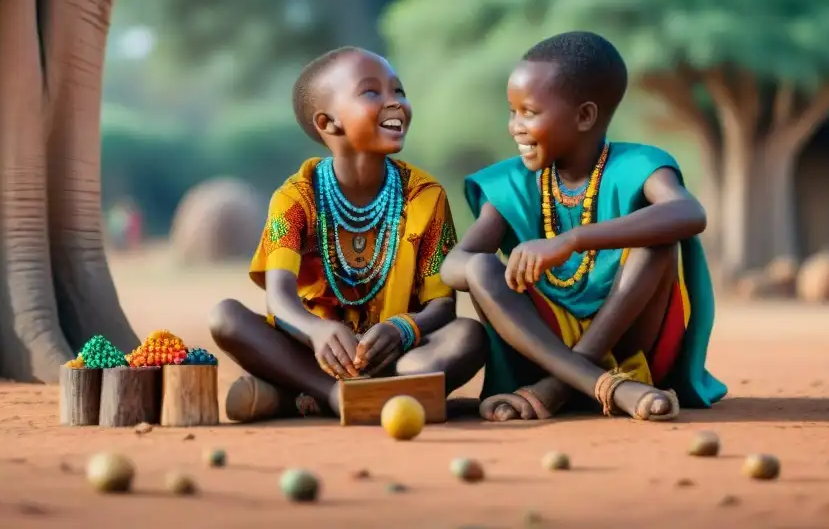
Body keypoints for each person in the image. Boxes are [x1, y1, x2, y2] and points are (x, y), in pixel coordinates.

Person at [440, 31, 725, 422]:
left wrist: (569, 241)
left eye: (530, 112)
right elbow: (453, 267)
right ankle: (597, 384)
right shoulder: (510, 182)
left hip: (630, 343)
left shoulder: (637, 165)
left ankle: (561, 385)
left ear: (585, 116)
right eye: (512, 111)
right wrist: (486, 268)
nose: (515, 127)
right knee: (479, 266)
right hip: (541, 344)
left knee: (658, 236)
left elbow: (690, 214)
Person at [210, 47, 487, 422]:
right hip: (314, 353)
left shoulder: (426, 196)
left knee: (468, 336)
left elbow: (442, 304)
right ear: (328, 123)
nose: (395, 103)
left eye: (399, 91)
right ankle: (336, 394)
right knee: (226, 317)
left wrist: (402, 329)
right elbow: (278, 297)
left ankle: (300, 397)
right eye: (372, 92)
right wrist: (315, 331)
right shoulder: (295, 198)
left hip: (397, 356)